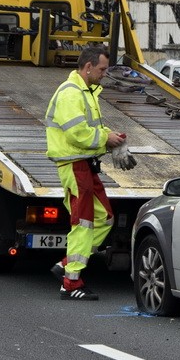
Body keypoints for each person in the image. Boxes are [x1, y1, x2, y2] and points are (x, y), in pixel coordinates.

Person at [45, 45, 126, 300]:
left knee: (104, 219)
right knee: (83, 222)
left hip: (83, 164)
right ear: (88, 67)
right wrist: (106, 139)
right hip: (74, 164)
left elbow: (85, 130)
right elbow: (77, 133)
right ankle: (71, 283)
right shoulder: (72, 93)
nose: (105, 74)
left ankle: (67, 265)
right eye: (102, 69)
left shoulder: (85, 91)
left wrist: (111, 137)